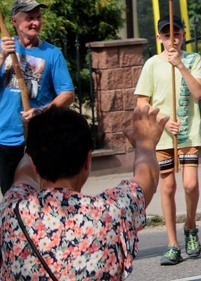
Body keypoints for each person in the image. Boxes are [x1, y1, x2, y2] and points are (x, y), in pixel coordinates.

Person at [0, 105, 167, 279]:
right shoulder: (111, 210)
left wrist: (32, 142)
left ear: (35, 163)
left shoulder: (11, 211)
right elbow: (148, 178)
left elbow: (23, 176)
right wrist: (145, 144)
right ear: (88, 161)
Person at [135, 14, 201, 265]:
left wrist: (180, 65)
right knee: (168, 186)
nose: (172, 39)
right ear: (159, 38)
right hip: (163, 137)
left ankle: (190, 225)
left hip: (188, 134)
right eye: (166, 35)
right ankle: (172, 243)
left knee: (189, 185)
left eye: (176, 34)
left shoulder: (192, 59)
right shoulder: (152, 64)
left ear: (183, 35)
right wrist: (163, 120)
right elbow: (142, 103)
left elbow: (198, 92)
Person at [0, 0, 75, 194]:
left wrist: (41, 112)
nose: (36, 23)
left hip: (39, 139)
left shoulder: (52, 53)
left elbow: (68, 94)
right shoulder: (3, 47)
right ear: (14, 21)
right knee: (11, 199)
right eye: (29, 18)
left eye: (38, 17)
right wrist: (2, 56)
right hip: (6, 138)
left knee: (42, 197)